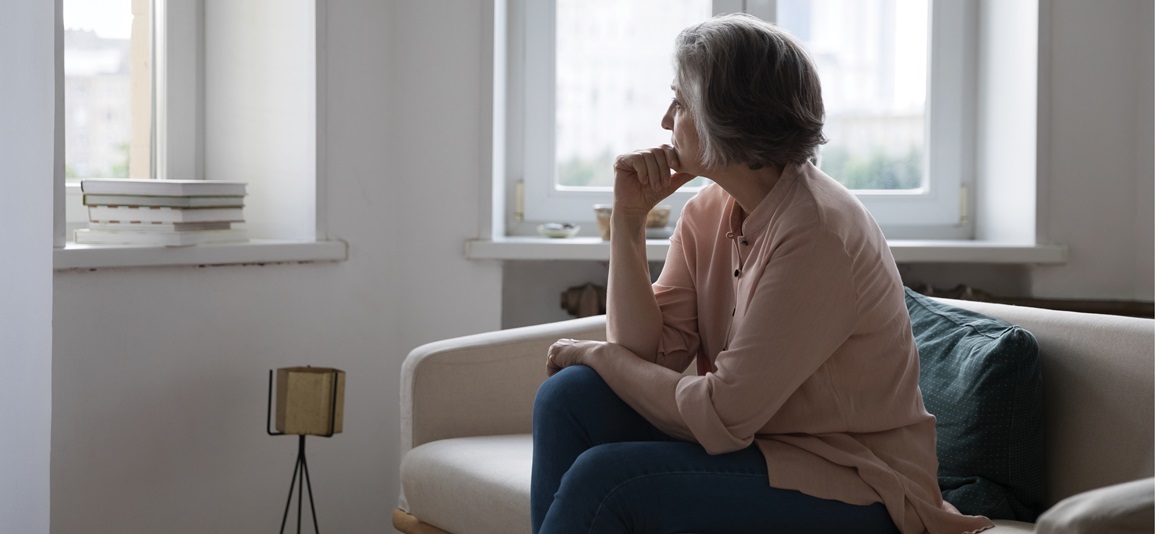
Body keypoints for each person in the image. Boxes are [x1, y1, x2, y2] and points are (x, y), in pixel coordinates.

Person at [530, 13, 995, 534]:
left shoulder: (818, 234)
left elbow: (721, 417)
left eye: (680, 102)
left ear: (726, 117)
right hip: (763, 451)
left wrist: (596, 351)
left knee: (606, 478)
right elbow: (645, 354)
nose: (665, 120)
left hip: (858, 482)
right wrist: (630, 220)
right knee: (568, 396)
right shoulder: (707, 210)